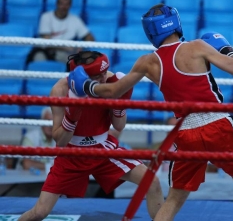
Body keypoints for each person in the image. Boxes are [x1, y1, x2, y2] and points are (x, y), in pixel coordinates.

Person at [68, 4, 233, 221]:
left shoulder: (147, 62)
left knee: (173, 200)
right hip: (218, 124)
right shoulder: (197, 47)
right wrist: (225, 48)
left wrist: (87, 86)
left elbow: (112, 91)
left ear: (150, 32)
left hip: (186, 132)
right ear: (176, 23)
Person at [18, 51, 163, 221]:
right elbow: (60, 141)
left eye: (104, 72)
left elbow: (119, 126)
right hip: (71, 154)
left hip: (103, 149)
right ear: (81, 76)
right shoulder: (60, 90)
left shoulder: (110, 82)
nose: (103, 79)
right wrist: (72, 117)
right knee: (39, 212)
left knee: (152, 182)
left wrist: (119, 106)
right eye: (97, 76)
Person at [26, 0, 95, 65]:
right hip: (45, 51)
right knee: (38, 58)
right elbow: (47, 42)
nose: (64, 7)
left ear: (70, 5)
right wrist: (66, 47)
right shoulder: (46, 17)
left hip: (64, 53)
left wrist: (81, 46)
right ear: (56, 4)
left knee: (75, 62)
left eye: (67, 4)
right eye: (61, 4)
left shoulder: (75, 20)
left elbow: (90, 38)